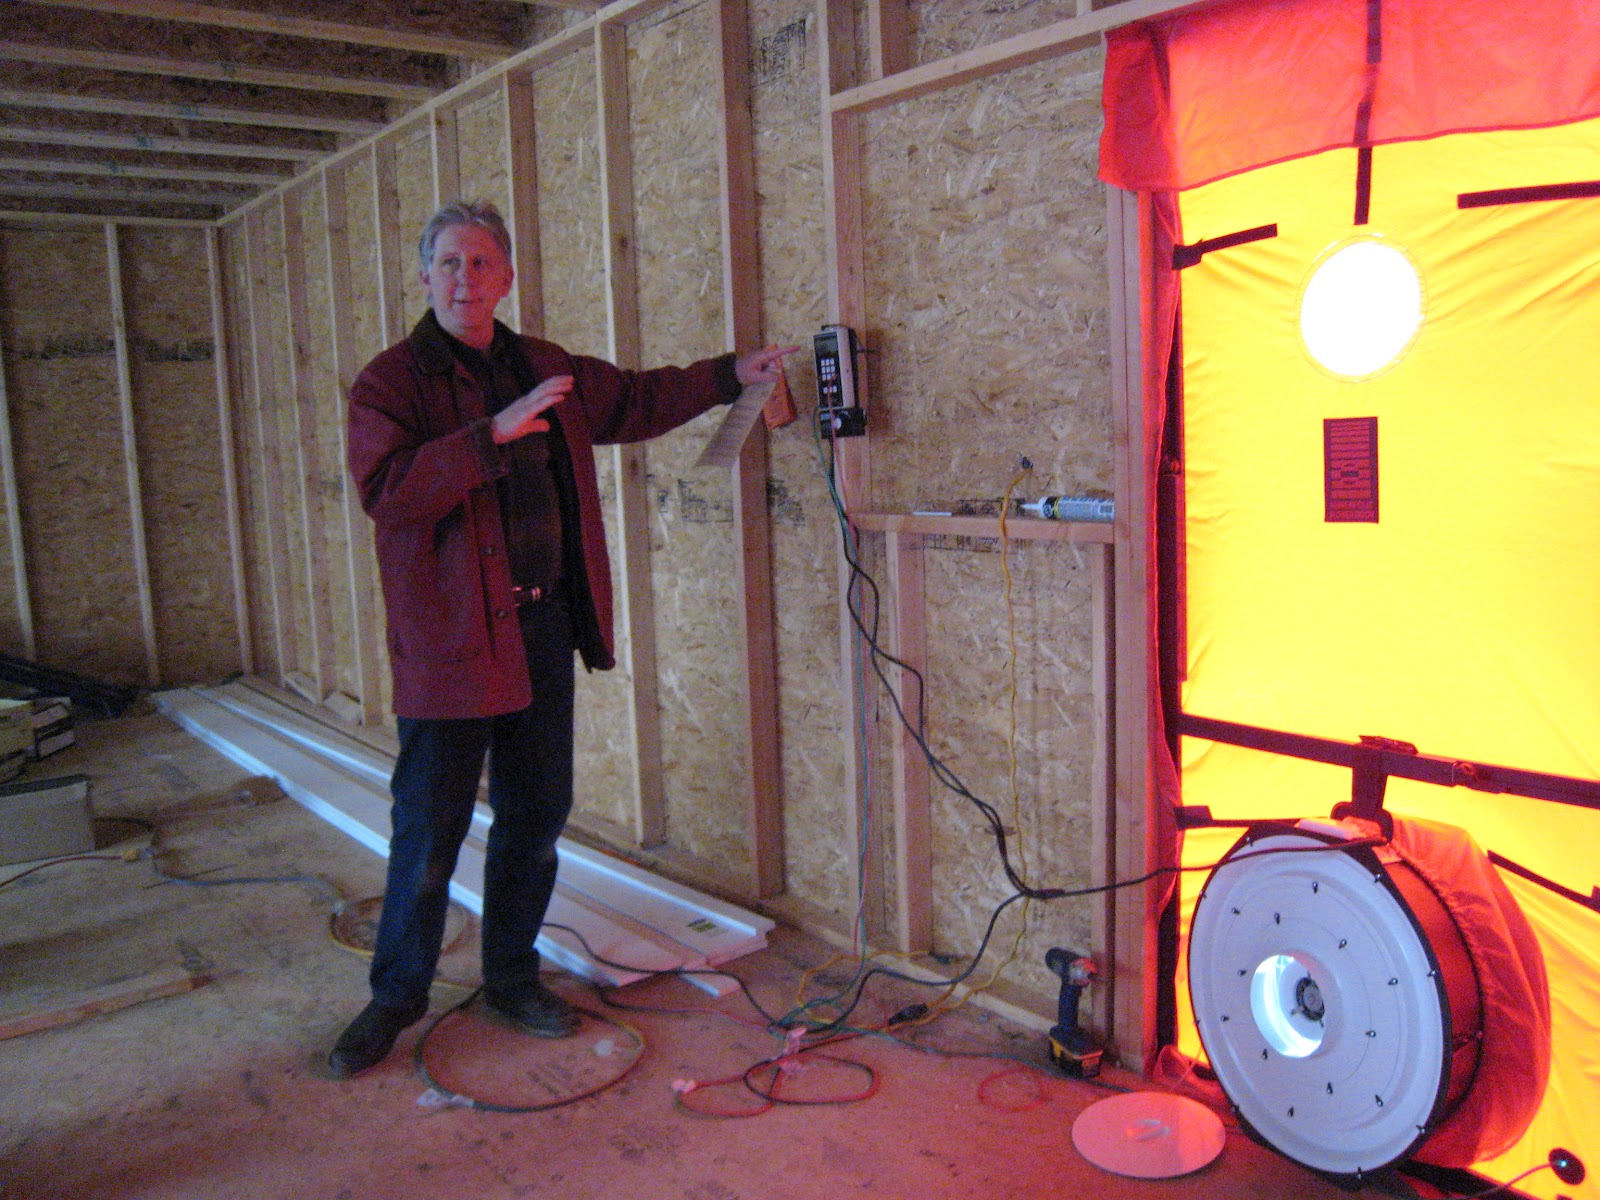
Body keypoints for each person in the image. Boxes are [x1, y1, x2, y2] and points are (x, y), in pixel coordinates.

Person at [329, 199, 794, 1079]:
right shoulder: (392, 382)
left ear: (506, 277)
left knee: (535, 817)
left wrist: (731, 373)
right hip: (453, 645)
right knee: (428, 829)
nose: (466, 278)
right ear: (425, 277)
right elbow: (388, 490)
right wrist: (488, 437)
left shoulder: (541, 366)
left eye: (482, 263)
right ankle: (395, 999)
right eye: (449, 263)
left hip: (541, 626)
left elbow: (636, 399)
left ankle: (510, 979)